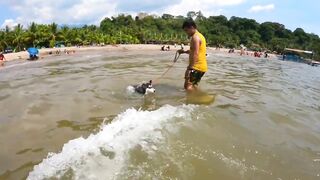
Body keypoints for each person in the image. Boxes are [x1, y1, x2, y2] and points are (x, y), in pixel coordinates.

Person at [177, 20, 208, 91]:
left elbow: (196, 53)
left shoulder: (195, 37)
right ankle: (196, 100)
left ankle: (200, 99)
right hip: (201, 67)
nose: (186, 33)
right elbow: (194, 51)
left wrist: (190, 68)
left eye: (186, 30)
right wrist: (184, 52)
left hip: (196, 67)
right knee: (192, 86)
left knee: (187, 87)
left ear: (192, 27)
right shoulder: (200, 36)